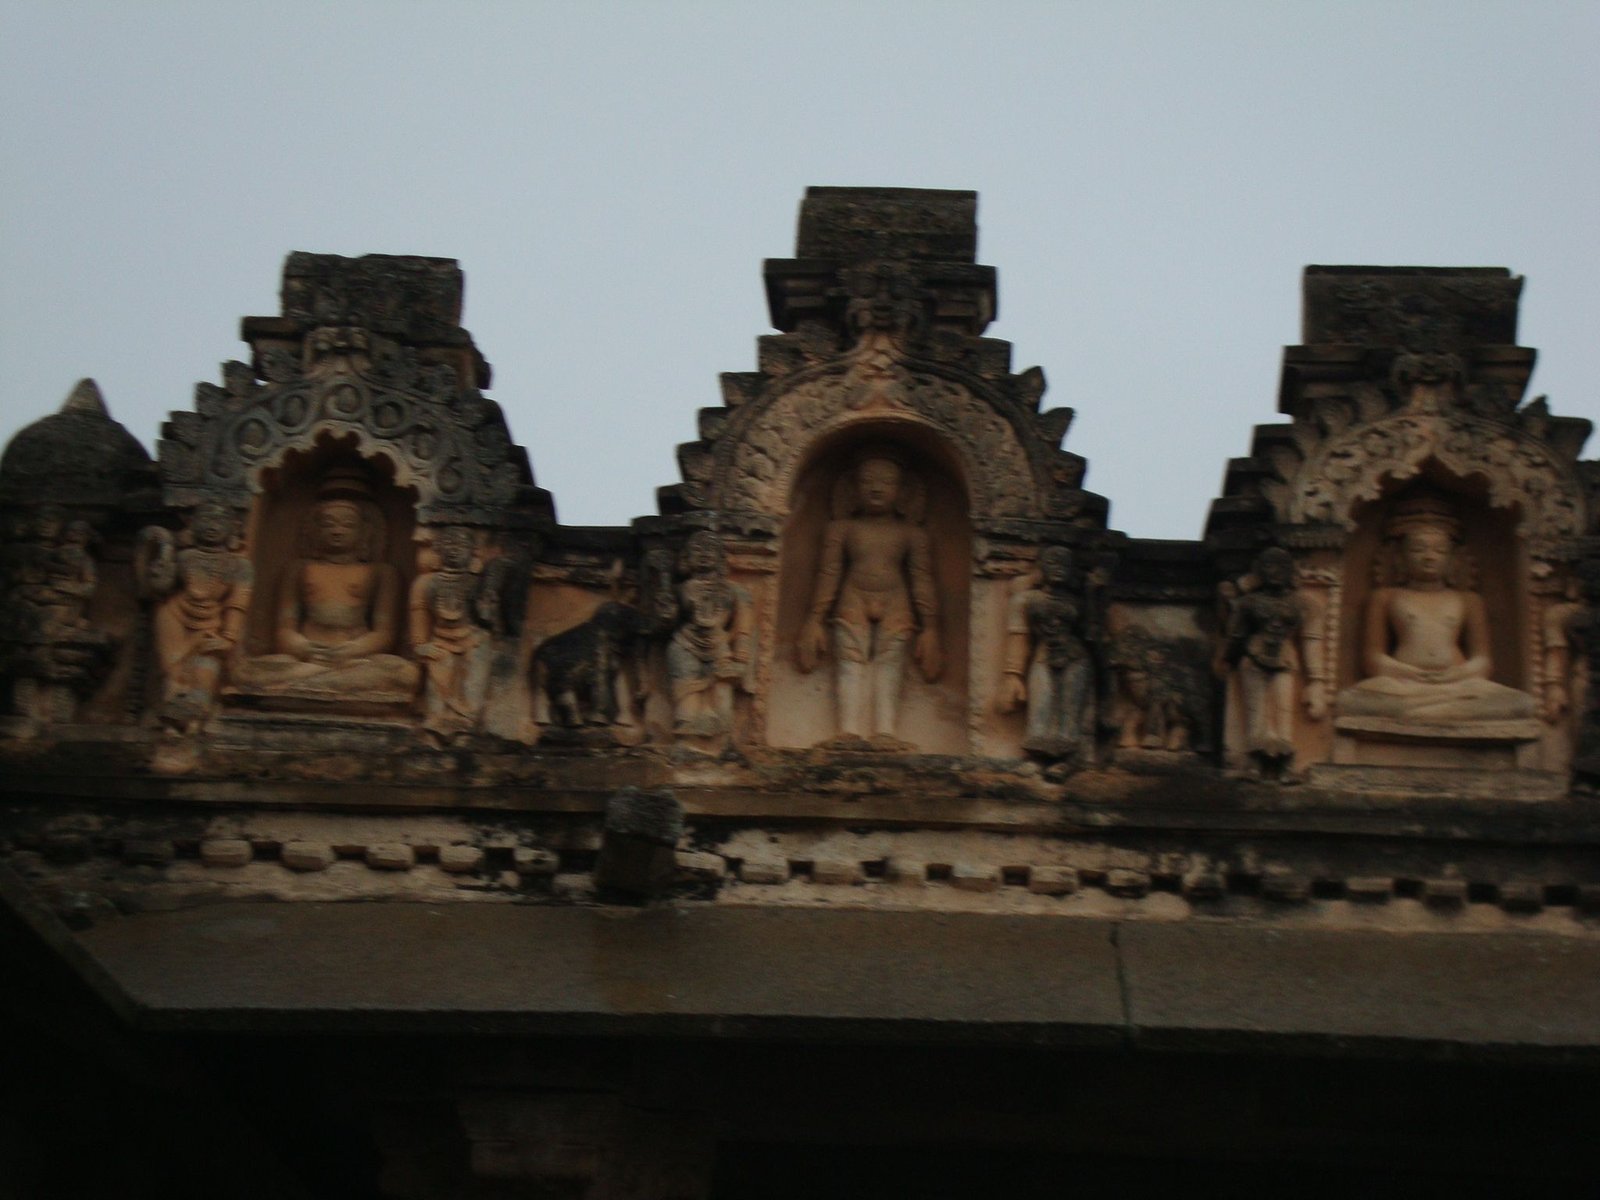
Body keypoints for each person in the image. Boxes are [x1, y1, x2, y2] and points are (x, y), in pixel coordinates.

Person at [1335, 499, 1534, 723]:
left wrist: (1458, 674)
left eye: (1439, 550)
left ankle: (1422, 714)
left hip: (1459, 685)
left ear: (1453, 560)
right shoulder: (1385, 597)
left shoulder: (1469, 600)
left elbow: (1483, 661)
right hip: (1403, 685)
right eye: (1418, 549)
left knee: (1522, 704)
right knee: (1348, 701)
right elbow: (1373, 658)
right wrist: (1407, 672)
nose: (1429, 557)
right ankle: (1439, 712)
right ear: (1399, 558)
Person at [231, 472, 418, 701]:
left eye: (348, 525)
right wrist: (304, 648)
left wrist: (351, 650)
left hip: (356, 658)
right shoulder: (297, 570)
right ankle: (322, 680)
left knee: (406, 674)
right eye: (328, 524)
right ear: (313, 529)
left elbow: (384, 633)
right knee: (244, 671)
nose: (337, 531)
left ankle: (306, 683)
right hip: (307, 657)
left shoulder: (382, 573)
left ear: (365, 532)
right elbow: (284, 630)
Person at [796, 455, 941, 740]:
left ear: (901, 491)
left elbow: (922, 579)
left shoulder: (912, 534)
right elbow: (829, 573)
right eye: (867, 481)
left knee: (891, 663)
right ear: (853, 489)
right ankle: (847, 729)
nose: (876, 488)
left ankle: (885, 731)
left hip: (896, 599)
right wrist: (814, 619)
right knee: (849, 661)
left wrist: (931, 628)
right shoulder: (842, 529)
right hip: (853, 597)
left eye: (886, 482)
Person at [149, 502, 253, 731]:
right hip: (174, 615)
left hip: (212, 623)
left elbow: (237, 603)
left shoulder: (239, 566)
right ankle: (170, 723)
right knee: (172, 672)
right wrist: (164, 553)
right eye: (205, 519)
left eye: (220, 521)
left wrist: (229, 637)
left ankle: (195, 721)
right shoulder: (185, 557)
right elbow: (160, 587)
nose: (212, 526)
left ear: (234, 528)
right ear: (192, 524)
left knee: (205, 671)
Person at [997, 545, 1097, 760]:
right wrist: (1013, 675)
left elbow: (1091, 634)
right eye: (1052, 562)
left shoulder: (1078, 603)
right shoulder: (1025, 600)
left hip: (1075, 657)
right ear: (1041, 568)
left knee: (1069, 715)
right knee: (1039, 715)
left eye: (1064, 564)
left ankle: (1067, 755)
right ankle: (1039, 752)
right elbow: (1019, 637)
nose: (1058, 568)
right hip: (1043, 656)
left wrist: (1093, 593)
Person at [666, 531, 753, 746]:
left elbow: (743, 627)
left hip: (720, 649)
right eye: (697, 549)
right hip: (685, 645)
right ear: (686, 558)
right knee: (687, 704)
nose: (704, 554)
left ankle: (719, 745)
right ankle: (687, 744)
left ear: (721, 557)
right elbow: (667, 621)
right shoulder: (680, 590)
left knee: (722, 703)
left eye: (710, 549)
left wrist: (741, 656)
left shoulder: (735, 591)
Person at [409, 526, 491, 738]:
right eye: (448, 544)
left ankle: (466, 718)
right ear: (438, 549)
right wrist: (421, 645)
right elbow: (419, 618)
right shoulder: (425, 583)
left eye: (461, 545)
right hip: (439, 640)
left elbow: (489, 618)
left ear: (473, 551)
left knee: (474, 665)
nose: (454, 550)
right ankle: (437, 718)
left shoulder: (479, 583)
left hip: (473, 639)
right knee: (439, 666)